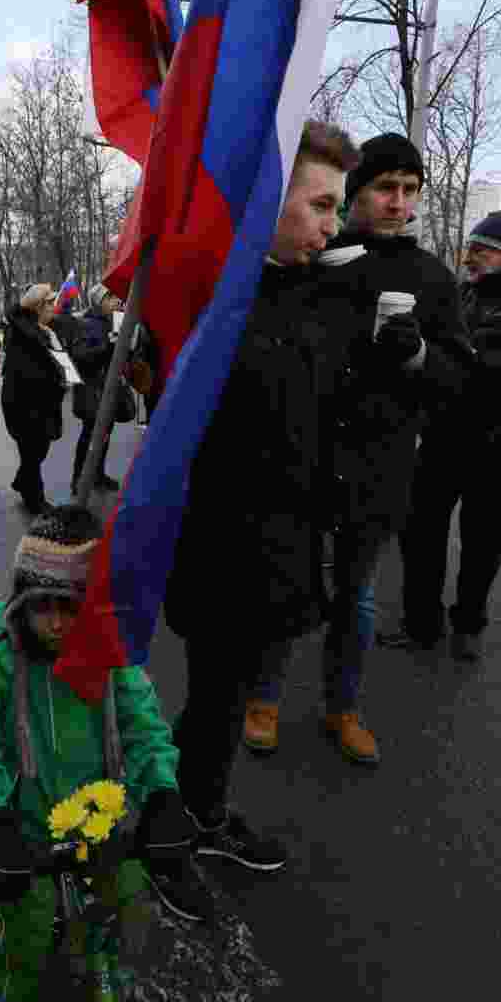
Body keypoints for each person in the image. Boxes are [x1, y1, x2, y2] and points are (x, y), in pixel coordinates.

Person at [0, 504, 210, 1002]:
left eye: (71, 608)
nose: (56, 623)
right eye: (43, 606)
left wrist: (165, 798)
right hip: (29, 829)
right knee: (23, 945)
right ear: (21, 600)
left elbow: (143, 724)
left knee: (113, 927)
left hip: (102, 822)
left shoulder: (108, 650)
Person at [164, 120, 362, 872]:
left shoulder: (317, 295)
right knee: (215, 698)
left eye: (335, 207)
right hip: (224, 547)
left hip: (287, 544)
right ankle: (188, 821)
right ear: (270, 200)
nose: (331, 223)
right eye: (318, 204)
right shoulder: (213, 294)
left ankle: (192, 809)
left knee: (225, 694)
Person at [242, 132, 472, 764]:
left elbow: (459, 375)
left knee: (356, 594)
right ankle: (263, 698)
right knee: (288, 576)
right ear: (356, 194)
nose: (398, 203)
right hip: (308, 454)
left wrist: (419, 353)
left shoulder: (431, 277)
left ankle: (343, 707)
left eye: (410, 191)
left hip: (380, 464)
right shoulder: (319, 257)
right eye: (384, 189)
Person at [381, 206, 501, 661]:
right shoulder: (466, 292)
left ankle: (469, 623)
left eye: (481, 250)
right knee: (420, 527)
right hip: (446, 433)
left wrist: (472, 356)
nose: (469, 257)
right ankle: (421, 622)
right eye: (470, 248)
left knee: (483, 537)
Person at [0, 284, 68, 513]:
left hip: (42, 403)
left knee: (38, 450)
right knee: (32, 451)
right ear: (38, 307)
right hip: (25, 404)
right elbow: (27, 373)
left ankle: (23, 482)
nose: (53, 306)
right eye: (49, 302)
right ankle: (35, 500)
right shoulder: (21, 334)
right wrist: (55, 380)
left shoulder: (46, 331)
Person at [69, 282, 125, 494]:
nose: (116, 301)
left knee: (105, 434)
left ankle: (98, 474)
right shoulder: (84, 323)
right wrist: (106, 347)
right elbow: (80, 357)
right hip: (92, 388)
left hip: (109, 386)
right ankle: (78, 478)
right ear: (100, 301)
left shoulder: (116, 321)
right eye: (111, 298)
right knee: (88, 435)